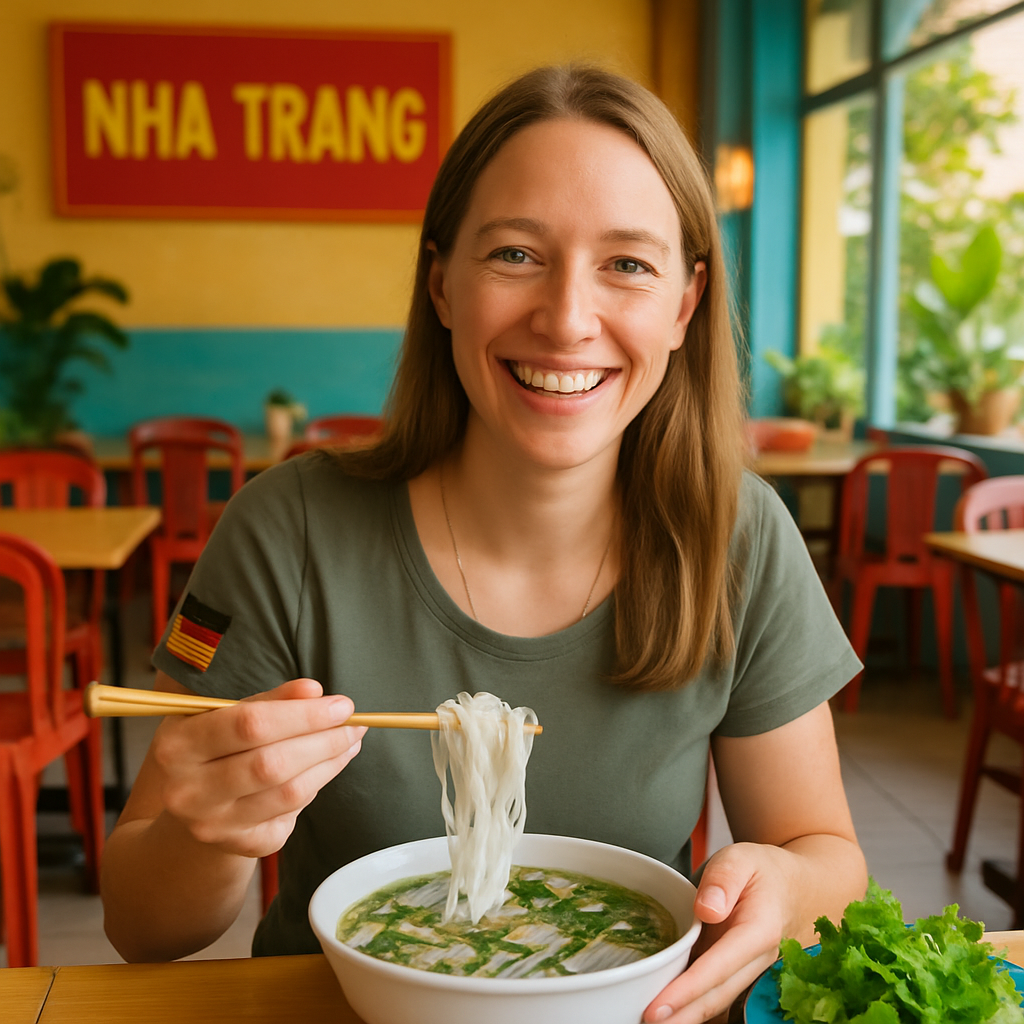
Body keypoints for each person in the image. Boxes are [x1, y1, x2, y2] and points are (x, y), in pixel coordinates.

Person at [101, 65, 867, 1023]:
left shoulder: (738, 537)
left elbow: (823, 853)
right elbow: (141, 923)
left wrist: (786, 891)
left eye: (627, 264)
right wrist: (211, 831)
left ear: (683, 305)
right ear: (441, 283)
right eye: (514, 254)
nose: (567, 319)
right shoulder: (287, 528)